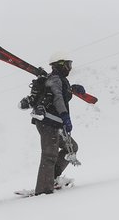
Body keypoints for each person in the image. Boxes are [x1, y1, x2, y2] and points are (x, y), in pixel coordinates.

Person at [28, 52, 85, 195]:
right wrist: (65, 116)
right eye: (68, 65)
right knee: (49, 155)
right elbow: (58, 99)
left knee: (71, 147)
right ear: (60, 65)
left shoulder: (59, 80)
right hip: (48, 122)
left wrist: (71, 89)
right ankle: (43, 191)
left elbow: (60, 96)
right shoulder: (55, 79)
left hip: (56, 123)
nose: (70, 68)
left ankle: (51, 178)